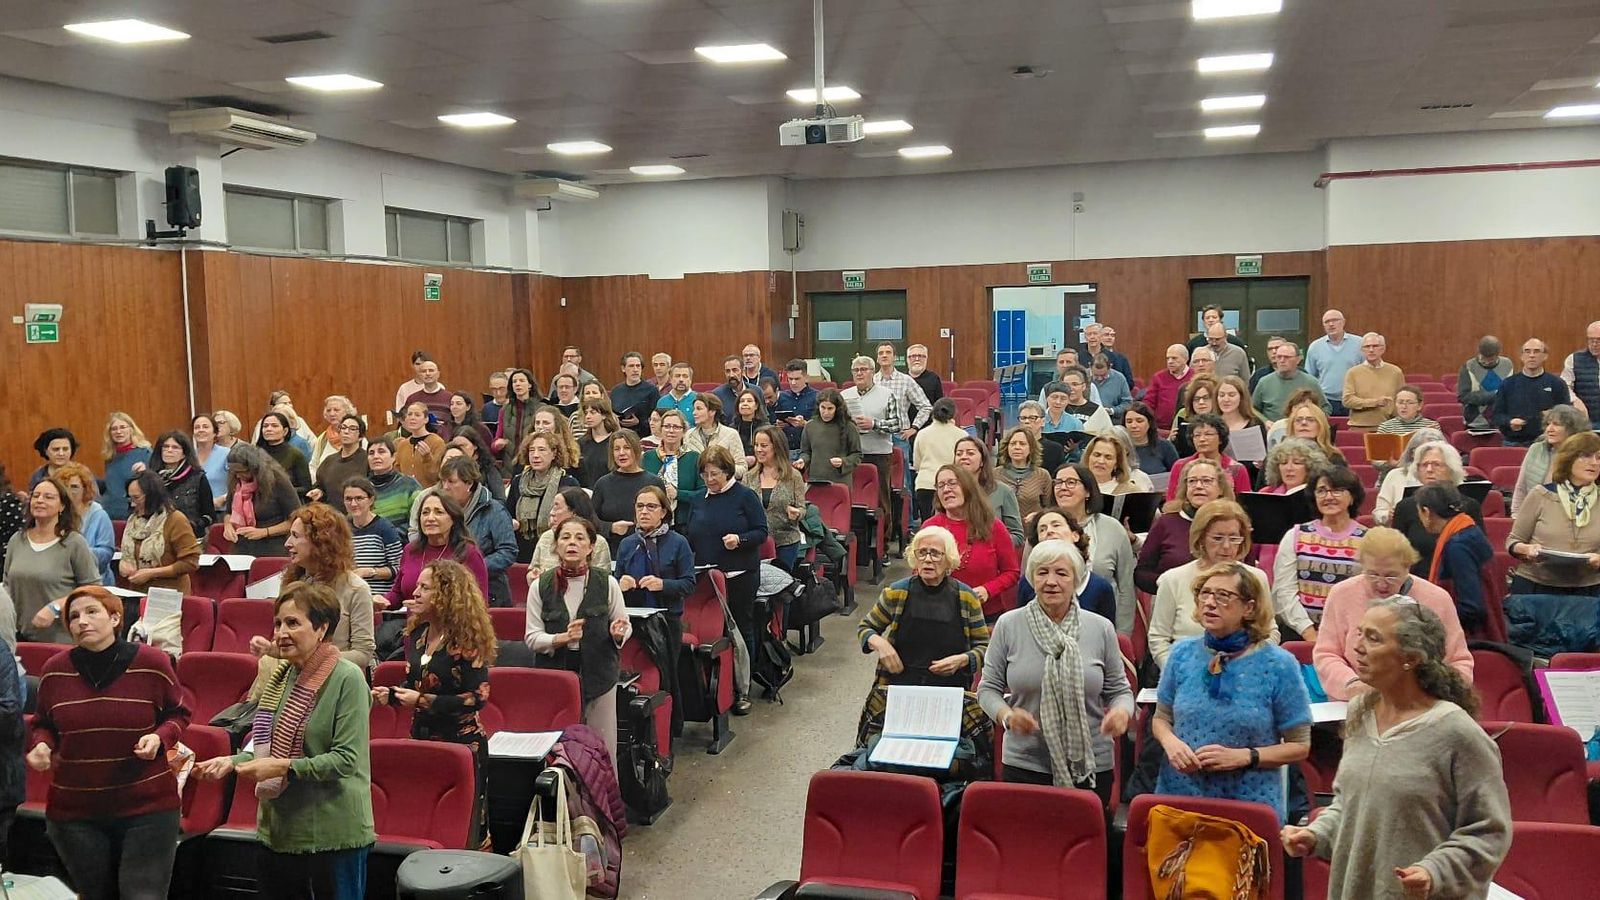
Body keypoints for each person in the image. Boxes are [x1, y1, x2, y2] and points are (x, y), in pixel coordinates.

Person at [1284, 599, 1511, 900]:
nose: (1358, 647)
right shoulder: (1360, 712)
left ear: (1411, 658)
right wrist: (1316, 833)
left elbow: (1489, 831)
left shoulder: (1457, 733)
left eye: (1374, 638)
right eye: (1360, 633)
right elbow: (1349, 805)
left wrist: (1435, 871)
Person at [194, 582, 376, 899]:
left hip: (331, 834)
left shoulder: (347, 678)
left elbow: (346, 760)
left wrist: (284, 767)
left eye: (293, 623)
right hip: (278, 830)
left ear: (322, 628)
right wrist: (231, 762)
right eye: (278, 623)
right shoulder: (280, 675)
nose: (281, 632)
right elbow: (268, 747)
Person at [28, 585, 190, 900]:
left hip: (147, 807)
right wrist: (42, 745)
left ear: (115, 617)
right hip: (76, 810)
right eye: (73, 617)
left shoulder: (152, 662)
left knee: (140, 895)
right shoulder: (54, 671)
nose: (81, 622)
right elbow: (43, 724)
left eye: (92, 612)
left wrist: (159, 737)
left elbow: (178, 713)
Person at [1153, 562, 1311, 822]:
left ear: (1249, 607)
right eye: (1205, 593)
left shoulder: (1279, 664)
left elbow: (1299, 746)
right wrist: (1171, 744)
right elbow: (1161, 719)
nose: (1210, 603)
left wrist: (1245, 756)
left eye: (1223, 596)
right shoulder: (1181, 653)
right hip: (1180, 800)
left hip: (1247, 807)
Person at [978, 539, 1132, 800]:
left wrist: (1121, 712)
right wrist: (1007, 716)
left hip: (1092, 763)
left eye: (1061, 573)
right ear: (1031, 578)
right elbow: (987, 690)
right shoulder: (1008, 624)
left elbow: (1120, 691)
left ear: (1076, 580)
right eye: (1042, 572)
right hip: (1025, 762)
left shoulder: (1101, 628)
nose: (1051, 581)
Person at [377, 559, 496, 847]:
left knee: (464, 826)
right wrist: (392, 695)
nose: (415, 592)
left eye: (425, 588)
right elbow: (417, 683)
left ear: (447, 595)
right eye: (417, 585)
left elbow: (477, 697)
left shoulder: (466, 639)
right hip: (422, 738)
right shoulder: (418, 634)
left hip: (462, 743)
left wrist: (423, 701)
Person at [856, 526, 990, 747]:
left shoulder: (966, 597)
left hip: (949, 693)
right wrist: (879, 643)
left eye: (935, 553)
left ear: (948, 560)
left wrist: (963, 660)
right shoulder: (896, 592)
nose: (928, 559)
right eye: (922, 552)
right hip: (900, 689)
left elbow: (984, 647)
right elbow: (866, 628)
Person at [1312, 527, 1474, 700]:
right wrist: (1351, 684)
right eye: (1372, 574)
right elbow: (1326, 654)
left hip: (1422, 703)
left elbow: (1460, 662)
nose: (1381, 584)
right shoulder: (1342, 593)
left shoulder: (1438, 598)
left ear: (1408, 567)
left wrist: (1431, 694)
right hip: (1354, 701)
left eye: (1391, 576)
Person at [527, 518, 633, 757]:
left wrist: (619, 633)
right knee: (561, 749)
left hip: (599, 675)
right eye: (565, 537)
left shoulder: (607, 583)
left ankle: (604, 795)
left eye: (579, 538)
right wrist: (561, 638)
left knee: (602, 748)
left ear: (591, 546)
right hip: (555, 676)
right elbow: (532, 637)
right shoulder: (540, 586)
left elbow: (624, 626)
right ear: (556, 546)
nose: (571, 543)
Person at [684, 445, 768, 713]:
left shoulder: (745, 496)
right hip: (707, 578)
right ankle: (716, 687)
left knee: (741, 630)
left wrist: (739, 540)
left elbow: (761, 532)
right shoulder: (699, 499)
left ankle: (743, 688)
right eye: (705, 474)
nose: (710, 480)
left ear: (728, 471)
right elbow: (690, 533)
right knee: (714, 633)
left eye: (715, 474)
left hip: (739, 574)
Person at [249, 504, 378, 671]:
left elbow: (363, 654)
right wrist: (270, 649)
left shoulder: (356, 589)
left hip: (335, 679)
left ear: (320, 541)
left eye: (295, 536)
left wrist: (313, 658)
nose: (288, 543)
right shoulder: (293, 583)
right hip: (295, 676)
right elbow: (292, 647)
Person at [1149, 501, 1276, 670]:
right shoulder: (1172, 579)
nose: (1226, 546)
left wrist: (1250, 666)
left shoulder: (1257, 578)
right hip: (1186, 675)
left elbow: (1270, 632)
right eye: (1217, 538)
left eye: (1234, 538)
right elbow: (1158, 638)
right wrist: (1177, 673)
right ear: (1201, 538)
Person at [615, 485, 695, 681]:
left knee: (665, 678)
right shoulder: (627, 544)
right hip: (632, 620)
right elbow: (614, 584)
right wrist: (618, 585)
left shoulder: (678, 542)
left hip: (667, 622)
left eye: (651, 507)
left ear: (663, 512)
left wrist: (663, 585)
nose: (644, 511)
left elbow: (689, 584)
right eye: (640, 506)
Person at [5, 477, 99, 643]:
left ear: (62, 506)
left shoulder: (74, 542)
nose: (40, 500)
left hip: (60, 639)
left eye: (48, 497)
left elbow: (93, 588)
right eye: (36, 496)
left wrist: (56, 607)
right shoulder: (17, 540)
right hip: (18, 636)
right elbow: (7, 585)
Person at [1272, 467, 1367, 631]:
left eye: (1337, 491)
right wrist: (1307, 631)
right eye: (1322, 491)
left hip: (1351, 632)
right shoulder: (1295, 535)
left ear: (1352, 497)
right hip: (1299, 631)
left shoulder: (1369, 540)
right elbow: (1284, 591)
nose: (1328, 497)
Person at [1507, 431, 1600, 596]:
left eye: (1598, 458)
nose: (1594, 463)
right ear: (1568, 459)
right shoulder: (1540, 495)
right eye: (1585, 456)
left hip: (1589, 590)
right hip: (1536, 586)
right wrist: (1527, 550)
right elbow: (1513, 542)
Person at [925, 464, 1021, 622]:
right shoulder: (930, 527)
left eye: (952, 483)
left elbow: (1012, 572)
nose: (946, 489)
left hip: (986, 616)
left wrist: (987, 590)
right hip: (939, 614)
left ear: (967, 487)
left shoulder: (993, 526)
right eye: (940, 485)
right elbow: (917, 571)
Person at [1051, 463, 1137, 633]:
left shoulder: (1112, 528)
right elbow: (1028, 584)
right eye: (1058, 482)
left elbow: (1126, 588)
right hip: (1049, 625)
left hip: (1102, 625)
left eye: (1071, 482)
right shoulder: (1043, 526)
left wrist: (1122, 635)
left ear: (1088, 491)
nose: (1063, 488)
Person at [1137, 459, 1238, 594]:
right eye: (1192, 481)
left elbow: (1246, 572)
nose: (1198, 486)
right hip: (1173, 600)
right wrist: (1168, 583)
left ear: (1220, 488)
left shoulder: (1234, 524)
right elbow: (1142, 573)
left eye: (1206, 481)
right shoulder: (1166, 522)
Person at [1389, 441, 1485, 575]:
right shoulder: (1405, 507)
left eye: (1436, 464)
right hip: (1415, 583)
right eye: (1424, 465)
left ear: (1451, 470)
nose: (1429, 470)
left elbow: (1479, 553)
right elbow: (1395, 553)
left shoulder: (1469, 506)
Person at [1413, 483, 1495, 633]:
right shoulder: (1468, 529)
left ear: (1426, 512)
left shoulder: (1458, 545)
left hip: (1471, 636)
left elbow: (1471, 607)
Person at [387, 492, 488, 609]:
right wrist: (382, 600)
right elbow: (397, 594)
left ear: (453, 519)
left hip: (452, 624)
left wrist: (429, 608)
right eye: (425, 513)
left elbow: (478, 604)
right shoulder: (410, 550)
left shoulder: (468, 553)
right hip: (412, 624)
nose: (430, 518)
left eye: (438, 512)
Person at [438, 457, 517, 606]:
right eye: (443, 481)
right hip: (449, 590)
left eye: (451, 482)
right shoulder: (442, 511)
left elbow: (508, 551)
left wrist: (475, 566)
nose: (445, 487)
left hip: (489, 592)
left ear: (469, 483)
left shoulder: (494, 511)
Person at [1016, 510, 1118, 622]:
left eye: (1056, 525)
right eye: (1042, 529)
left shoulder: (1100, 587)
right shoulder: (1027, 583)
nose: (1049, 531)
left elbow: (1105, 633)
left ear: (1075, 535)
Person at [843, 355, 903, 531]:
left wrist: (874, 424)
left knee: (881, 499)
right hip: (852, 454)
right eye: (856, 370)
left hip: (879, 454)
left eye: (864, 370)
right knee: (852, 497)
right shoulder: (845, 395)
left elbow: (896, 425)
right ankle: (856, 538)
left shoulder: (887, 395)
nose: (859, 374)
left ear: (872, 372)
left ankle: (882, 542)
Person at [116, 471, 201, 594]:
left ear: (152, 496)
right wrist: (123, 565)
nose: (133, 503)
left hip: (169, 594)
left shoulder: (175, 519)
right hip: (137, 593)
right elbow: (127, 555)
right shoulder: (133, 520)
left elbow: (190, 562)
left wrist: (152, 573)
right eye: (130, 498)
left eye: (137, 498)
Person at [592, 431, 667, 555]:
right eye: (617, 449)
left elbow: (665, 519)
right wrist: (611, 527)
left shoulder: (654, 482)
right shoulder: (603, 483)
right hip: (612, 551)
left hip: (649, 551)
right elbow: (590, 520)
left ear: (636, 450)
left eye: (627, 447)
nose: (621, 453)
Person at [508, 432, 580, 562]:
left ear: (553, 453)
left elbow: (578, 519)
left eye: (541, 450)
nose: (535, 455)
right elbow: (508, 513)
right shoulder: (518, 482)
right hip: (520, 550)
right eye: (531, 450)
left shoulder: (568, 483)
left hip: (554, 549)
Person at [743, 426, 807, 570]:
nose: (759, 449)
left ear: (776, 447)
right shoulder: (748, 477)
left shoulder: (793, 476)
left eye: (764, 445)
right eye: (756, 445)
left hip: (786, 541)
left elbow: (802, 509)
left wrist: (797, 513)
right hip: (757, 543)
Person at [222, 443, 302, 556]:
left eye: (243, 472)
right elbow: (228, 512)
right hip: (242, 547)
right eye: (234, 472)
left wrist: (264, 532)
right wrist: (228, 525)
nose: (238, 476)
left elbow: (296, 519)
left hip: (273, 549)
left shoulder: (277, 481)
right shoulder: (236, 480)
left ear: (254, 468)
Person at [1492, 338, 1571, 446]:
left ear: (1545, 356)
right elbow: (1497, 415)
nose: (1532, 355)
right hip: (1513, 443)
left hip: (1547, 442)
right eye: (1527, 351)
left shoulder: (1557, 384)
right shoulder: (1507, 384)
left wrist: (1553, 414)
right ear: (1522, 356)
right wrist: (1509, 422)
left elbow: (1567, 415)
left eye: (1537, 351)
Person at [1513, 404, 1589, 514]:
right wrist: (1516, 515)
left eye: (1556, 424)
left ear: (1572, 429)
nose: (1549, 429)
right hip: (1533, 513)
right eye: (1548, 424)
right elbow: (1521, 487)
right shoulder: (1536, 449)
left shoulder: (1584, 455)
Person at [525, 487, 611, 582]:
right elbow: (532, 570)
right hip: (548, 594)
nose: (551, 513)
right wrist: (533, 576)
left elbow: (603, 581)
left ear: (574, 513)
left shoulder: (598, 542)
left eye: (557, 507)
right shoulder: (547, 537)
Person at [954, 436, 1024, 550]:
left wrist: (989, 543)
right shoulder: (947, 491)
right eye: (959, 454)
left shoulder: (1003, 491)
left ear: (982, 461)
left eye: (970, 453)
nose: (963, 457)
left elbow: (1018, 536)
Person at [642, 408, 705, 527]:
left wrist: (678, 494)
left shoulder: (694, 458)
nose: (671, 430)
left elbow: (703, 493)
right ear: (661, 429)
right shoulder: (648, 457)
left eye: (676, 427)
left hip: (686, 523)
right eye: (667, 426)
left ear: (684, 431)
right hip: (653, 523)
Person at [1167, 414, 1252, 501]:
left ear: (1220, 439)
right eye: (1197, 435)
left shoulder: (1237, 469)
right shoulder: (1181, 465)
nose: (1202, 439)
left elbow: (1245, 505)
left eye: (1208, 434)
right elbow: (1172, 501)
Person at [55, 462, 115, 585]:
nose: (68, 491)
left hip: (95, 579)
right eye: (64, 486)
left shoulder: (99, 515)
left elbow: (106, 553)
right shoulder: (55, 513)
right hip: (59, 578)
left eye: (74, 487)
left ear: (85, 489)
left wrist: (76, 554)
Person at [1372, 428, 1446, 524]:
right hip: (1400, 534)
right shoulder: (1395, 475)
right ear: (1412, 453)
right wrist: (1388, 515)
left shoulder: (1450, 476)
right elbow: (1378, 513)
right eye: (1423, 451)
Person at [343, 478, 403, 598]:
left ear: (371, 500)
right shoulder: (342, 529)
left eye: (359, 498)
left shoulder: (385, 529)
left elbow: (399, 569)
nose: (353, 504)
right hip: (349, 596)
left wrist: (371, 572)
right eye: (348, 499)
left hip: (377, 597)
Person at [912, 397, 967, 519]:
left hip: (924, 484)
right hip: (951, 486)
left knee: (928, 524)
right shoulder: (962, 435)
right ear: (953, 414)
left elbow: (917, 464)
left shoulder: (922, 434)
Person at [797, 387, 863, 485]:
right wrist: (803, 460)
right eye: (823, 407)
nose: (826, 412)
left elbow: (857, 455)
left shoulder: (849, 427)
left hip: (840, 482)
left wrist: (843, 462)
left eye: (830, 408)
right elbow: (806, 452)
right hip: (816, 480)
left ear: (837, 409)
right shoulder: (810, 426)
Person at [1341, 332, 1406, 430]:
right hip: (1359, 427)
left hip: (1389, 427)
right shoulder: (1353, 372)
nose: (1371, 350)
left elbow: (1401, 399)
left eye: (1375, 346)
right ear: (1362, 350)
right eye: (1367, 347)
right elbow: (1347, 401)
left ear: (1383, 349)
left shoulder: (1395, 372)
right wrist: (1375, 402)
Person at [1252, 340, 1327, 422]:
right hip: (1273, 430)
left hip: (1302, 429)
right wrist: (1265, 422)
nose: (1282, 360)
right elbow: (1253, 409)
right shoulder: (1264, 382)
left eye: (1286, 357)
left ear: (1298, 360)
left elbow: (1325, 408)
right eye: (1279, 357)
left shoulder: (1311, 382)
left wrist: (1313, 420)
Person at [1307, 308, 1362, 417]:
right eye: (1327, 322)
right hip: (1326, 401)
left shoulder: (1359, 343)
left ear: (1343, 322)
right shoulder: (1315, 347)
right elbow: (1310, 377)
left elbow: (1367, 372)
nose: (1331, 324)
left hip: (1354, 399)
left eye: (1335, 320)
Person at [307, 415, 368, 513]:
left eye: (352, 429)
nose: (346, 431)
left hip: (357, 516)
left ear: (360, 437)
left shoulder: (367, 460)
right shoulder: (329, 460)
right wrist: (319, 492)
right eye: (343, 428)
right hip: (331, 517)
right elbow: (320, 485)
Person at [995, 426, 1053, 525]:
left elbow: (1050, 508)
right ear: (1007, 447)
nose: (1017, 447)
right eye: (1013, 444)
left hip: (1032, 532)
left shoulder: (1042, 475)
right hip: (1002, 532)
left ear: (1031, 448)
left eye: (1022, 444)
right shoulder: (994, 474)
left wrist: (1038, 515)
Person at [100, 412, 152, 520]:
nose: (118, 432)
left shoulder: (145, 453)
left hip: (134, 514)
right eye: (114, 429)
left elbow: (154, 483)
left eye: (122, 427)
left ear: (131, 429)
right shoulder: (110, 457)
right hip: (110, 513)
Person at [685, 392, 747, 480]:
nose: (694, 413)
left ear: (712, 411)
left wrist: (721, 472)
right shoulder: (688, 435)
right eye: (694, 409)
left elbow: (742, 469)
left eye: (699, 409)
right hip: (695, 487)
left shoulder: (731, 434)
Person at [1216, 375, 1270, 477]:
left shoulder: (1255, 424)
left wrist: (1260, 463)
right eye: (1221, 395)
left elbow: (1264, 458)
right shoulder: (1213, 424)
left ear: (1241, 397)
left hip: (1250, 478)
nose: (1226, 399)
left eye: (1231, 395)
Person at [366, 437, 421, 531]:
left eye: (381, 451)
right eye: (371, 453)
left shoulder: (409, 485)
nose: (376, 456)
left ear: (393, 457)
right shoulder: (363, 488)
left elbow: (417, 520)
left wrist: (390, 536)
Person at [1458, 335, 1514, 426]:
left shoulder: (1507, 365)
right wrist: (1495, 395)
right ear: (1479, 352)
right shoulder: (1469, 366)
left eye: (1491, 359)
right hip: (1475, 422)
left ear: (1498, 354)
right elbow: (1463, 397)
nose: (1487, 362)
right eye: (1484, 358)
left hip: (1502, 422)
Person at [257, 411, 313, 499]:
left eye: (274, 426)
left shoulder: (295, 454)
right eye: (265, 426)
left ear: (285, 431)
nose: (269, 429)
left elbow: (306, 488)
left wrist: (282, 491)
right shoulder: (256, 453)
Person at [493, 368, 542, 464]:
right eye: (514, 381)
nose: (517, 384)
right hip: (509, 464)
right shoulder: (505, 410)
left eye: (522, 381)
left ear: (530, 385)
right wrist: (497, 445)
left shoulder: (541, 409)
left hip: (532, 461)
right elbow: (496, 440)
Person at [392, 402, 447, 487]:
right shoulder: (402, 444)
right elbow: (398, 473)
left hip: (429, 494)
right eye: (409, 414)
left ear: (426, 419)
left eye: (417, 415)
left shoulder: (437, 442)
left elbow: (437, 476)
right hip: (406, 494)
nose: (412, 418)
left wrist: (427, 458)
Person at [1083, 432, 1153, 495]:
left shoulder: (1132, 491)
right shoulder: (1075, 487)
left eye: (1108, 457)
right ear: (1088, 457)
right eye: (1097, 455)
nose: (1101, 461)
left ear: (1117, 463)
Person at [1145, 345, 1194, 433]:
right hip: (1161, 429)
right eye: (1168, 358)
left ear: (1186, 358)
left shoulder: (1194, 377)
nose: (1170, 362)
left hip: (1188, 427)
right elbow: (1148, 403)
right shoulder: (1158, 377)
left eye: (1174, 358)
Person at [1561, 320, 1600, 429]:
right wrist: (1575, 400)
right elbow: (1564, 386)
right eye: (1591, 340)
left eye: (1598, 340)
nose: (1594, 344)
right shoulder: (1574, 359)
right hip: (1586, 423)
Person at [773, 360, 819, 450]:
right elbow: (773, 420)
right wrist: (779, 424)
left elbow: (822, 426)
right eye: (790, 379)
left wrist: (805, 424)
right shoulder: (782, 397)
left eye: (797, 379)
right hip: (786, 448)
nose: (793, 383)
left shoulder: (817, 397)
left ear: (806, 378)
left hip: (808, 448)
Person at [609, 351, 659, 436]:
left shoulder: (651, 390)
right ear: (623, 368)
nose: (635, 370)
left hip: (643, 436)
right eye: (631, 366)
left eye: (638, 366)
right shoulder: (616, 391)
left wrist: (639, 422)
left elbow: (656, 418)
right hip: (620, 434)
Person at [1258, 437, 1329, 495]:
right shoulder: (1266, 493)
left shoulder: (1321, 495)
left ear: (1310, 468)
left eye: (1297, 463)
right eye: (1283, 463)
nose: (1289, 468)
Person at [1169, 374, 1219, 457]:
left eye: (1206, 398)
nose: (1201, 402)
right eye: (1196, 399)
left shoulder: (1224, 418)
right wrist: (1172, 440)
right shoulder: (1183, 414)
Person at [308, 396, 358, 477]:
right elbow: (313, 466)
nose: (332, 414)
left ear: (347, 412)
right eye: (328, 410)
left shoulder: (356, 435)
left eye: (336, 410)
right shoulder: (322, 438)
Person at [1124, 401, 1178, 477]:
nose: (1133, 425)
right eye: (1129, 422)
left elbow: (1177, 475)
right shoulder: (1118, 448)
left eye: (1139, 421)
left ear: (1149, 423)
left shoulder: (1165, 446)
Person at [1013, 400, 1067, 475]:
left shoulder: (1055, 449)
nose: (1027, 421)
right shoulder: (1011, 446)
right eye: (1023, 418)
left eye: (1032, 418)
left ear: (1043, 421)